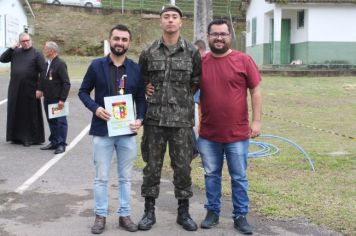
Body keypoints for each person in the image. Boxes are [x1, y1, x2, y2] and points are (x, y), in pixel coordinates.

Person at [137, 4, 201, 232]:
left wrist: (180, 98)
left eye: (175, 17)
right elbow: (141, 80)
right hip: (154, 121)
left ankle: (183, 212)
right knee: (152, 167)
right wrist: (146, 89)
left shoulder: (192, 52)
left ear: (181, 22)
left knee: (182, 168)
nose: (171, 20)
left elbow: (196, 81)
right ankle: (148, 211)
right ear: (160, 21)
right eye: (166, 16)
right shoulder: (149, 51)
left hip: (181, 122)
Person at [78, 24, 146, 234]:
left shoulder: (135, 69)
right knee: (101, 177)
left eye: (124, 40)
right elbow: (82, 92)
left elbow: (141, 100)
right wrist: (96, 108)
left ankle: (124, 215)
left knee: (125, 177)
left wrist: (140, 119)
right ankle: (100, 216)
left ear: (129, 43)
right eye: (117, 39)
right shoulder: (96, 66)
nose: (120, 43)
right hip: (102, 131)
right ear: (110, 40)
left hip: (126, 132)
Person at [198, 19, 262, 235]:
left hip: (237, 134)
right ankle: (213, 212)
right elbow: (186, 90)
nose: (219, 38)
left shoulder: (244, 60)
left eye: (223, 34)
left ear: (230, 36)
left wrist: (257, 121)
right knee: (211, 175)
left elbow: (256, 91)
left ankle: (241, 216)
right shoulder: (202, 63)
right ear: (208, 37)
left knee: (239, 177)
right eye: (215, 34)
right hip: (208, 134)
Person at [0, 33, 46, 146]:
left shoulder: (37, 54)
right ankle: (15, 137)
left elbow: (43, 72)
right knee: (15, 112)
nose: (26, 42)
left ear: (31, 40)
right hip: (15, 89)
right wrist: (11, 48)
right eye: (23, 41)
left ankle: (29, 138)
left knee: (28, 114)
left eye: (27, 40)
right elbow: (2, 59)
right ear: (19, 42)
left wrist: (40, 89)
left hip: (30, 89)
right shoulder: (15, 52)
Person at [39, 41, 71, 154]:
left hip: (57, 100)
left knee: (60, 122)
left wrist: (62, 99)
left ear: (52, 51)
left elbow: (66, 83)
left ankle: (61, 144)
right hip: (47, 98)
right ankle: (54, 141)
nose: (44, 51)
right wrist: (40, 89)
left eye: (46, 49)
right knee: (51, 121)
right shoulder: (47, 63)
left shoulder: (60, 64)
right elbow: (43, 78)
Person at [192, 39, 207, 159]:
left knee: (199, 127)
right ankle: (195, 150)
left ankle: (199, 150)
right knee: (194, 127)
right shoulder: (192, 62)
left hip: (203, 102)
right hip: (193, 101)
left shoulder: (208, 62)